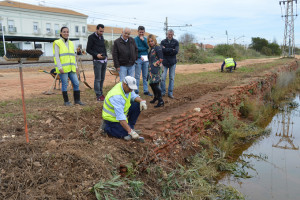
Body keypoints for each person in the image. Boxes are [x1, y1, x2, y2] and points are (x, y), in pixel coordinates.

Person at [102, 76, 147, 140]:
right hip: (112, 119)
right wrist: (129, 131)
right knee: (124, 133)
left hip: (122, 113)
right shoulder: (116, 96)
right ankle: (106, 128)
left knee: (137, 104)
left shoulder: (126, 88)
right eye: (130, 88)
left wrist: (141, 101)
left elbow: (133, 96)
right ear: (124, 84)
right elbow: (120, 117)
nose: (131, 90)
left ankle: (131, 127)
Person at [53, 26, 84, 106]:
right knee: (65, 84)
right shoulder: (57, 43)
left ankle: (77, 100)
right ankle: (66, 102)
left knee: (76, 83)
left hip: (71, 68)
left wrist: (76, 66)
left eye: (67, 32)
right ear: (61, 33)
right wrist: (60, 67)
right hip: (63, 68)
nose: (66, 33)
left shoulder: (71, 43)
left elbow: (73, 56)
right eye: (64, 32)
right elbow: (56, 57)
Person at [87, 24, 108, 102]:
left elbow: (103, 47)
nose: (101, 33)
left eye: (103, 31)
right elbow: (88, 49)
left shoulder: (101, 37)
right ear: (96, 29)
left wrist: (105, 56)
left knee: (102, 79)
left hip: (104, 61)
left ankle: (101, 93)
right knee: (98, 79)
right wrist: (96, 55)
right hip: (97, 61)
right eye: (100, 31)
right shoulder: (91, 37)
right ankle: (98, 95)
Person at [160, 29, 179, 99]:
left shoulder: (176, 42)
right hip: (164, 62)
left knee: (171, 78)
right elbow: (161, 50)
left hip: (172, 62)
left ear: (173, 34)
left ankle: (170, 93)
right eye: (169, 34)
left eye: (171, 34)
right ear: (167, 34)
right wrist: (171, 49)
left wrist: (166, 49)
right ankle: (162, 92)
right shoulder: (162, 42)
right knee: (162, 78)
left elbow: (176, 51)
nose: (170, 35)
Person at [134, 26, 152, 96]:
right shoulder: (135, 39)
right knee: (137, 76)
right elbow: (137, 48)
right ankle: (136, 90)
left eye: (142, 32)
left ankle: (146, 90)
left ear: (144, 32)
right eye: (140, 32)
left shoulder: (145, 39)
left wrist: (143, 40)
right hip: (138, 58)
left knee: (145, 76)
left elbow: (147, 47)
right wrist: (143, 49)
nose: (141, 33)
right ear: (138, 31)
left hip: (146, 59)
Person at [147, 34, 164, 108]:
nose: (151, 42)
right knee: (151, 84)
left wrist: (155, 64)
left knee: (156, 84)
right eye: (149, 41)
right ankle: (156, 97)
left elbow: (161, 59)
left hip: (156, 69)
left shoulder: (158, 48)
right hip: (151, 68)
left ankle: (161, 100)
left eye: (152, 41)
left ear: (155, 40)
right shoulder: (151, 49)